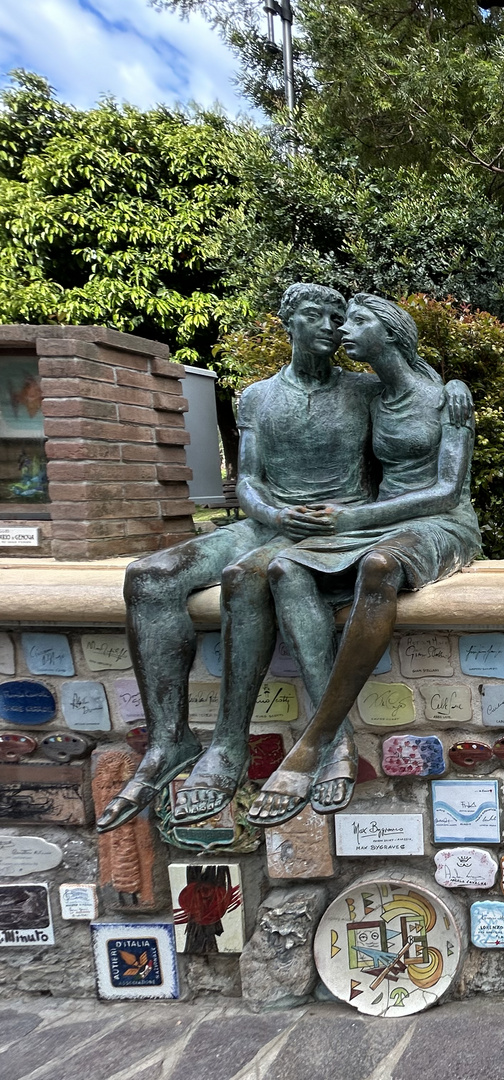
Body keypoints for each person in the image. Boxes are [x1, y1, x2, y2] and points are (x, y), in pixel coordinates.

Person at [98, 284, 377, 830]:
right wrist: (273, 515)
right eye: (314, 315)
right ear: (288, 320)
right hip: (267, 519)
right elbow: (247, 480)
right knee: (149, 577)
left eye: (338, 317)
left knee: (244, 578)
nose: (329, 325)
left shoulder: (365, 391)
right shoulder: (257, 397)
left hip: (333, 525)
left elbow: (416, 411)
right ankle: (168, 741)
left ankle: (229, 745)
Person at [248, 294, 481, 826]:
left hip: (441, 523)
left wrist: (352, 521)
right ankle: (337, 739)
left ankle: (316, 739)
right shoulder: (371, 396)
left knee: (378, 568)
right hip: (381, 520)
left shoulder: (446, 398)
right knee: (286, 568)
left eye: (357, 320)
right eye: (340, 320)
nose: (341, 330)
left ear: (393, 332)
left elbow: (446, 492)